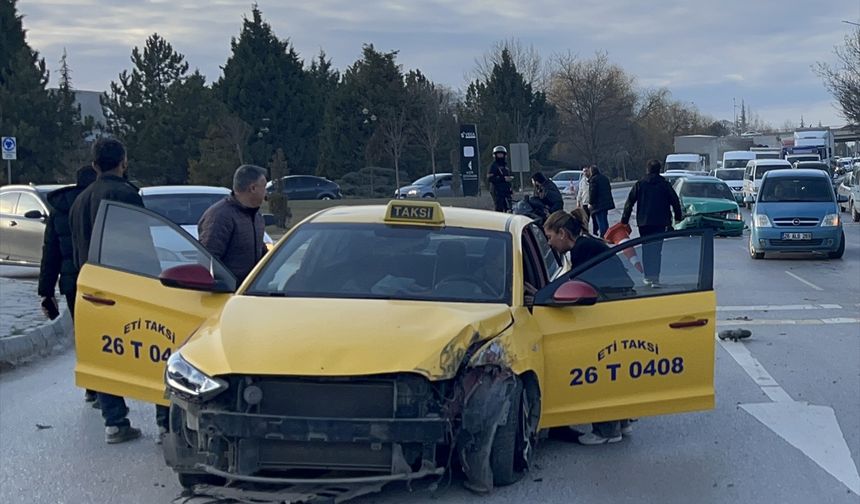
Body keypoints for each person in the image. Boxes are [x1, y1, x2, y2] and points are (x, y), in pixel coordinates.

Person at [70, 137, 161, 444]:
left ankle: (114, 422)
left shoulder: (80, 201)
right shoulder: (125, 195)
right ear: (124, 161)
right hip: (128, 285)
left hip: (92, 287)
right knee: (154, 349)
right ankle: (166, 422)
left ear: (95, 165)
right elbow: (141, 245)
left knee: (104, 355)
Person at [543, 210, 634, 445]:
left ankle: (606, 430)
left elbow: (574, 284)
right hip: (621, 304)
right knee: (613, 369)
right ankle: (619, 423)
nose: (549, 242)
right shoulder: (586, 245)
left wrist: (542, 296)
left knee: (599, 370)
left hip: (610, 308)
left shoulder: (581, 250)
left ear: (563, 233)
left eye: (550, 236)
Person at [38, 165, 98, 405]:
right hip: (101, 279)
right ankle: (107, 385)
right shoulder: (98, 204)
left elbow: (49, 252)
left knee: (83, 334)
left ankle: (91, 387)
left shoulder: (60, 209)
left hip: (72, 283)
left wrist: (46, 291)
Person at [197, 164, 269, 283]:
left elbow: (261, 252)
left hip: (251, 292)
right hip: (226, 294)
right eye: (264, 187)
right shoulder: (220, 217)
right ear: (253, 188)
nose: (266, 192)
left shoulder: (256, 216)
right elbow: (208, 259)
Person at [620, 159, 684, 287]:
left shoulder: (640, 184)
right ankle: (655, 277)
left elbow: (629, 202)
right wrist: (677, 217)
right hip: (660, 222)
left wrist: (624, 221)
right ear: (659, 170)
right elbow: (675, 201)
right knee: (656, 250)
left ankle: (648, 277)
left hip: (644, 222)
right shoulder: (665, 185)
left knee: (646, 249)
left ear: (647, 169)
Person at [587, 165, 615, 238]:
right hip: (605, 203)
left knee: (601, 221)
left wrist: (590, 203)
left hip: (598, 204)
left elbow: (592, 193)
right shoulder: (604, 178)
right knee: (604, 220)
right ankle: (607, 235)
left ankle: (604, 236)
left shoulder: (593, 180)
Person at [487, 146, 513, 212]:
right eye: (498, 154)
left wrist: (510, 186)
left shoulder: (505, 166)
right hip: (497, 191)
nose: (500, 156)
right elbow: (490, 178)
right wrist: (502, 179)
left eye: (502, 154)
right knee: (499, 207)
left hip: (505, 190)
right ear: (495, 155)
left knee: (509, 207)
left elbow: (507, 176)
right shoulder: (493, 166)